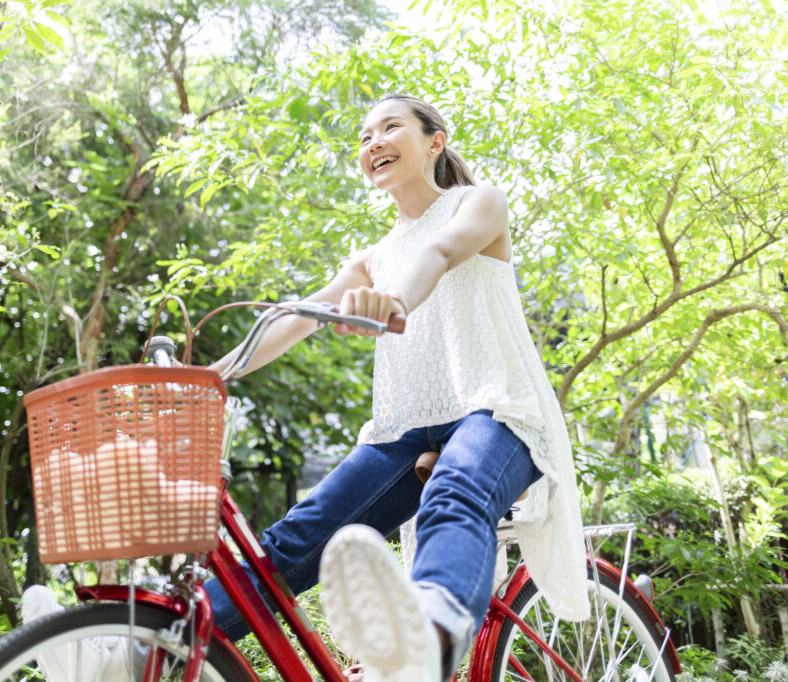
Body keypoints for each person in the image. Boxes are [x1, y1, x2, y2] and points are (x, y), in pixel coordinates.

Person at [204, 93, 590, 681]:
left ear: (435, 142)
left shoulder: (478, 203)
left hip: (498, 411)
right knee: (292, 541)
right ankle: (149, 641)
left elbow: (440, 250)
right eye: (364, 137)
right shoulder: (372, 259)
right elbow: (294, 317)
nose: (373, 143)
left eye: (390, 127)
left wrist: (396, 301)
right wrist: (207, 376)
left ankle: (427, 637)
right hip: (405, 429)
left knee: (455, 493)